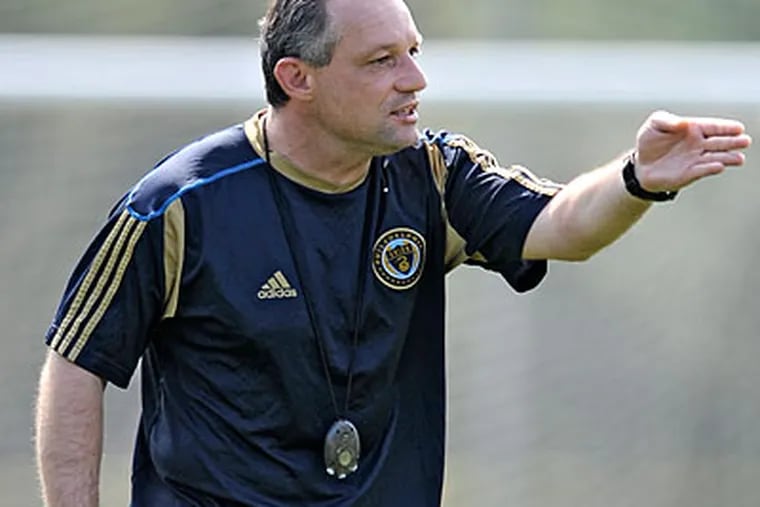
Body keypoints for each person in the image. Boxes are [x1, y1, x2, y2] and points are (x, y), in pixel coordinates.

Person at [34, 0, 751, 505]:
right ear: (298, 78)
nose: (415, 79)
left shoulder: (430, 174)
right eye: (382, 60)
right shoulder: (179, 203)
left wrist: (636, 178)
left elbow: (560, 224)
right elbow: (77, 360)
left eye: (413, 52)